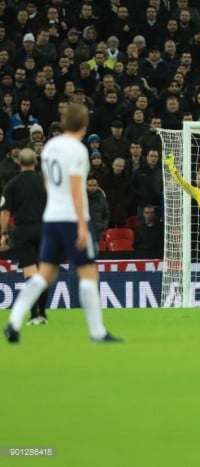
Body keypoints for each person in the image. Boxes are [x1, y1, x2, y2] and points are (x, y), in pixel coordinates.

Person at [4, 103, 122, 344]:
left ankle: (14, 321)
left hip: (51, 218)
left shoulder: (49, 148)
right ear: (84, 125)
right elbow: (77, 190)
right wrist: (81, 225)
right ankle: (98, 332)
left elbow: (49, 183)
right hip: (71, 218)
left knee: (43, 274)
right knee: (88, 272)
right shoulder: (77, 150)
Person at [0, 148, 48, 325]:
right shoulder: (44, 181)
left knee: (30, 273)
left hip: (23, 231)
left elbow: (5, 213)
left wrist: (4, 234)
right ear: (35, 162)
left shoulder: (12, 184)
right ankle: (42, 313)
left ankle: (34, 315)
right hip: (44, 230)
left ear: (19, 163)